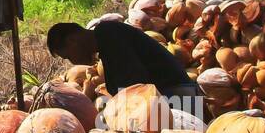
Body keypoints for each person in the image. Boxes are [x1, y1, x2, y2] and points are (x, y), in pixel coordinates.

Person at [46, 19, 201, 106]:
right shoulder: (105, 41)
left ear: (72, 41)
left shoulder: (108, 34)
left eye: (68, 56)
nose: (73, 62)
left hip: (179, 98)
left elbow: (135, 85)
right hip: (172, 97)